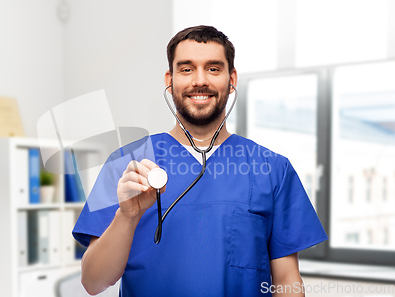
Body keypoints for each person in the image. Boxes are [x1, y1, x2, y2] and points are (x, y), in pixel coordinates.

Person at [73, 25, 328, 296]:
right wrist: (127, 215)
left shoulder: (273, 169)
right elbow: (93, 282)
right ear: (169, 81)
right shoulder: (126, 165)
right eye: (186, 69)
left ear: (232, 80)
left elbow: (287, 279)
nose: (200, 80)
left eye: (213, 68)